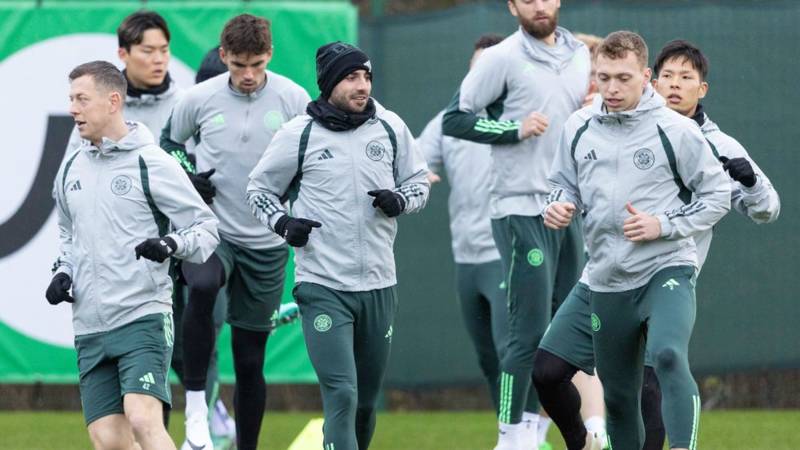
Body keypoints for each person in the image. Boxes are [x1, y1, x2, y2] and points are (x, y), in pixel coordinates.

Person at [544, 31, 731, 450]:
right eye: (604, 77)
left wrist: (661, 225)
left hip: (666, 267)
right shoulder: (578, 126)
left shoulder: (675, 129)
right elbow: (561, 184)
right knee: (619, 398)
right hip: (607, 278)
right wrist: (556, 205)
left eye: (623, 78)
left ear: (646, 77)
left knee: (667, 354)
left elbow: (718, 195)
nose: (611, 88)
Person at [247, 41, 430, 450]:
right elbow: (258, 190)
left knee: (364, 404)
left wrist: (400, 200)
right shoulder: (298, 133)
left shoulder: (390, 126)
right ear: (329, 83)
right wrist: (283, 223)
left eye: (366, 76)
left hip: (379, 286)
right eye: (351, 77)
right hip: (322, 286)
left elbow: (418, 182)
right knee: (342, 394)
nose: (362, 85)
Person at [442, 1, 591, 448]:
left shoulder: (580, 55)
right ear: (512, 6)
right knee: (526, 333)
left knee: (569, 333)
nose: (538, 5)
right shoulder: (500, 57)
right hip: (520, 210)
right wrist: (513, 130)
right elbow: (455, 119)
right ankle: (509, 436)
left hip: (569, 208)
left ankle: (553, 430)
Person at [48, 60, 219, 450]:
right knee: (108, 439)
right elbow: (67, 233)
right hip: (89, 324)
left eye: (81, 99)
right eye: (71, 99)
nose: (73, 109)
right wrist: (63, 270)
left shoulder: (151, 161)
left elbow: (206, 228)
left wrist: (170, 245)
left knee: (143, 418)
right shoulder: (71, 166)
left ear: (113, 101)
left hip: (142, 314)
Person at [160, 14, 311, 450]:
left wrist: (291, 198)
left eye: (257, 64)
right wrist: (190, 176)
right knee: (202, 283)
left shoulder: (293, 98)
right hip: (214, 230)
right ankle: (196, 409)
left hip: (267, 241)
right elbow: (170, 144)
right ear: (224, 56)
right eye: (239, 64)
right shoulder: (199, 98)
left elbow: (312, 156)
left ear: (270, 56)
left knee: (249, 360)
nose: (248, 75)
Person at [639, 39, 781, 450]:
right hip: (610, 275)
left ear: (702, 89)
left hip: (670, 276)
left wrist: (749, 183)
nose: (674, 84)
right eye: (667, 75)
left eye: (686, 77)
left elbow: (768, 208)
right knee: (565, 370)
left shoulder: (720, 147)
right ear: (652, 82)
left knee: (656, 369)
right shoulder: (627, 129)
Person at [417, 32, 506, 413]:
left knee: (513, 352)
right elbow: (415, 160)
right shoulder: (447, 121)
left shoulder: (520, 119)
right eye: (475, 69)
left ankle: (527, 432)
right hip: (466, 258)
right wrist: (417, 174)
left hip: (507, 254)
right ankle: (511, 431)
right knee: (488, 358)